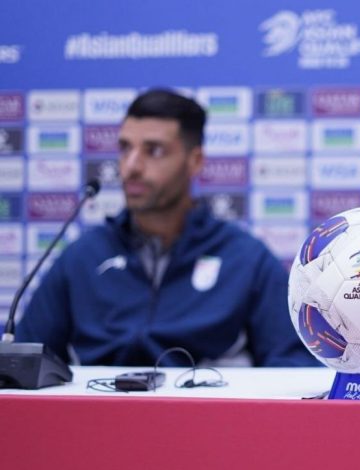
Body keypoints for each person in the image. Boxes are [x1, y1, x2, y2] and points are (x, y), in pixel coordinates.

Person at [17, 89, 317, 367]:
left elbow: (293, 367)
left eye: (154, 151)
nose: (131, 166)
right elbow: (24, 362)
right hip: (100, 406)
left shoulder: (244, 258)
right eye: (125, 148)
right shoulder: (84, 256)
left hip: (204, 407)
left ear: (195, 161)